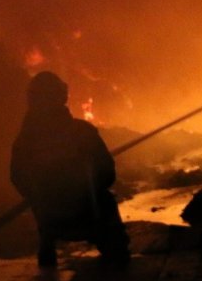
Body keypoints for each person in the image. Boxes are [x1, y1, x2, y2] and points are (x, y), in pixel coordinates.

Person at [10, 71, 130, 269]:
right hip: (90, 214)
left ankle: (47, 252)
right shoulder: (83, 132)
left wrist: (39, 198)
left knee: (46, 236)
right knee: (108, 203)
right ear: (62, 97)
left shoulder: (25, 142)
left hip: (49, 218)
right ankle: (117, 254)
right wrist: (86, 190)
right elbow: (108, 173)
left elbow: (17, 177)